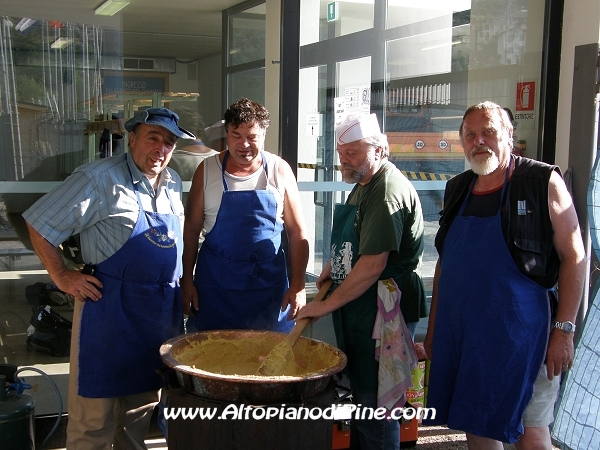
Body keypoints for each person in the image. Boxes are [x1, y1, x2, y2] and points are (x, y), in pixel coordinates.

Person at [23, 107, 193, 449]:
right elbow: (40, 224)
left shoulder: (172, 181)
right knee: (93, 421)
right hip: (108, 312)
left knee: (138, 416)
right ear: (132, 138)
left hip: (157, 317)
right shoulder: (98, 178)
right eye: (153, 138)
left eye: (170, 142)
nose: (161, 148)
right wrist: (62, 276)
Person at [423, 101, 586, 449]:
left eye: (488, 132)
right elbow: (445, 264)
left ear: (509, 136)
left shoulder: (541, 181)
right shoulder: (456, 189)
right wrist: (434, 332)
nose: (479, 141)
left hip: (525, 338)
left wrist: (564, 330)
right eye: (470, 135)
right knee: (475, 420)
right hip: (468, 337)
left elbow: (575, 256)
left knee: (532, 430)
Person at [296, 113, 427, 449]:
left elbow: (371, 265)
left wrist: (325, 304)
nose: (344, 159)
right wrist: (332, 267)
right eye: (341, 152)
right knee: (363, 396)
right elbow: (355, 241)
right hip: (361, 304)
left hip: (383, 306)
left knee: (378, 402)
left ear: (379, 150)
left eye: (353, 152)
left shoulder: (385, 192)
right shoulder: (364, 184)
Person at [181, 98, 309, 333]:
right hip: (216, 288)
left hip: (269, 290)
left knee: (268, 361)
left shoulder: (279, 170)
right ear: (226, 134)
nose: (244, 144)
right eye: (236, 135)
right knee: (213, 357)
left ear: (263, 135)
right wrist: (187, 281)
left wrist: (299, 285)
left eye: (252, 136)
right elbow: (190, 230)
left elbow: (297, 232)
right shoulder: (207, 170)